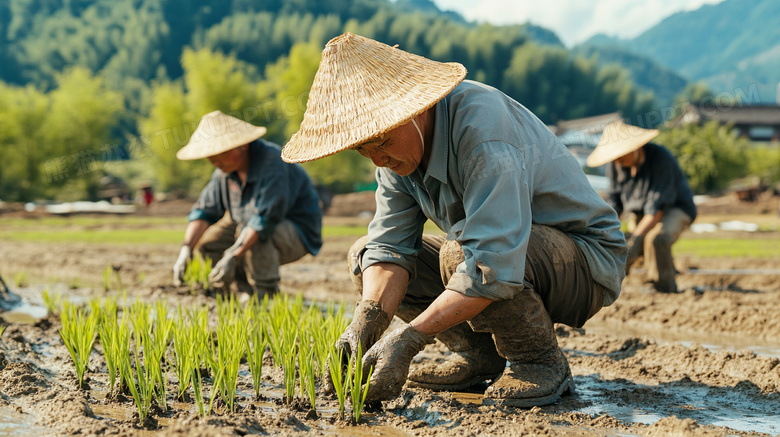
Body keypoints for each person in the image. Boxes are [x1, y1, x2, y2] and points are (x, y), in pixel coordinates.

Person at [281, 33, 627, 407]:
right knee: (365, 256)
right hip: (500, 254)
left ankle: (537, 362)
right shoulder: (396, 157)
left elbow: (489, 260)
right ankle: (479, 356)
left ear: (416, 109)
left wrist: (409, 338)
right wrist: (367, 322)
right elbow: (390, 248)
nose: (377, 158)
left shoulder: (484, 135)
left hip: (583, 262)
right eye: (362, 148)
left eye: (381, 140)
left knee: (460, 253)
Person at [172, 110, 323, 295]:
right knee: (208, 243)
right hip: (244, 221)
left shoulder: (272, 163)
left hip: (294, 228)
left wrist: (233, 254)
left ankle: (264, 294)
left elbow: (264, 220)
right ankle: (235, 290)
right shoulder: (224, 170)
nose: (215, 162)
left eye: (222, 154)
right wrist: (186, 249)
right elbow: (204, 210)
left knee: (257, 238)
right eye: (211, 157)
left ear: (242, 145)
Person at [587, 120, 696, 294]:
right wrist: (606, 230)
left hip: (675, 208)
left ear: (635, 148)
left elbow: (656, 209)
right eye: (615, 158)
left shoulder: (661, 160)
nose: (618, 162)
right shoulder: (617, 165)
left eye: (622, 157)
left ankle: (664, 286)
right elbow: (615, 202)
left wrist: (636, 239)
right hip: (641, 212)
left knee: (656, 238)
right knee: (627, 240)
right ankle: (654, 272)